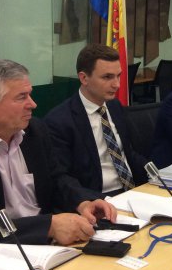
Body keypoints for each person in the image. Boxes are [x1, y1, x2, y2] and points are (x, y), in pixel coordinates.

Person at [0, 59, 116, 259]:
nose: (33, 104)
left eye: (30, 94)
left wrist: (82, 202)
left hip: (45, 248)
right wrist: (49, 226)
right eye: (21, 97)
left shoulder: (35, 131)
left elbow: (57, 178)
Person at [45, 44, 148, 197]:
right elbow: (62, 179)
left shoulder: (114, 106)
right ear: (84, 78)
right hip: (97, 197)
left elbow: (129, 152)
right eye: (107, 77)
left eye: (118, 76)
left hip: (132, 190)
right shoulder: (59, 121)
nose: (117, 84)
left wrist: (158, 175)